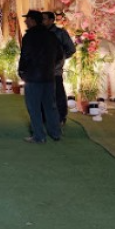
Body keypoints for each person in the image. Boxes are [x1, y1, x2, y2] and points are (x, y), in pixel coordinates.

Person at [18, 10, 63, 143]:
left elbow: (25, 56)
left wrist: (21, 71)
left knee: (34, 107)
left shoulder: (29, 37)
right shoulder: (51, 35)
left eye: (27, 19)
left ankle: (39, 136)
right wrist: (50, 65)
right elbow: (60, 55)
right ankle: (55, 133)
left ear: (32, 20)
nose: (26, 21)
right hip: (49, 76)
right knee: (50, 106)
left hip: (33, 77)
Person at [42, 11, 76, 126]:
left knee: (58, 93)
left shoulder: (60, 33)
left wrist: (60, 59)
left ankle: (61, 117)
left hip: (55, 70)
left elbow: (71, 49)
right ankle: (44, 118)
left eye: (44, 19)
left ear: (52, 20)